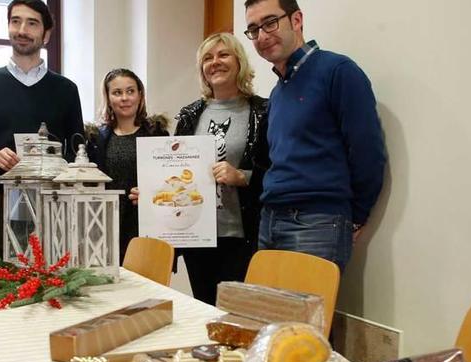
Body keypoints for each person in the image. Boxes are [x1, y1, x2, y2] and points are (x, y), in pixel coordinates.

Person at [244, 0, 386, 271]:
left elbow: (367, 151)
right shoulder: (277, 92)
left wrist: (355, 217)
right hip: (270, 220)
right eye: (253, 29)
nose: (262, 35)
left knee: (302, 315)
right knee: (266, 314)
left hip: (317, 222)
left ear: (296, 20)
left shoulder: (338, 71)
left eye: (270, 22)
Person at [136, 32, 268, 306]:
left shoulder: (263, 111)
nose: (215, 62)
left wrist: (243, 177)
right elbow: (176, 172)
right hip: (198, 235)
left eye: (223, 55)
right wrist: (152, 193)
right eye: (207, 58)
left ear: (239, 61)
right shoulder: (190, 114)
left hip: (242, 235)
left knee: (237, 314)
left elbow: (276, 170)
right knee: (205, 310)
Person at [0, 0, 84, 256]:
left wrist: (55, 162)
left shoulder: (67, 90)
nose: (22, 29)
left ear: (46, 34)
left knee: (54, 281)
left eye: (32, 23)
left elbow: (77, 151)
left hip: (53, 204)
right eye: (16, 21)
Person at [86, 69, 168, 263]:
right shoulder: (96, 139)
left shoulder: (157, 135)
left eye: (130, 91)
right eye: (117, 92)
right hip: (106, 226)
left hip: (146, 225)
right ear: (108, 97)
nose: (124, 98)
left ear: (140, 95)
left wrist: (152, 193)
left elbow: (170, 183)